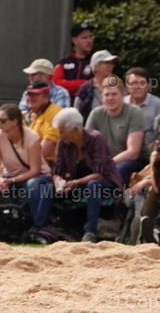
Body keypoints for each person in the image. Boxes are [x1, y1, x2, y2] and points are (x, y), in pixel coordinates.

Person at [39, 107, 122, 242]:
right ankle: (40, 227)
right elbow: (57, 170)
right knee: (48, 187)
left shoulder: (96, 139)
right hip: (77, 184)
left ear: (76, 131)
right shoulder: (63, 142)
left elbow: (100, 173)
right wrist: (58, 181)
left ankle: (90, 231)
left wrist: (75, 183)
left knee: (93, 185)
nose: (60, 135)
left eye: (63, 131)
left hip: (103, 183)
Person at [0, 103, 48, 229]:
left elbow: (35, 171)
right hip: (10, 178)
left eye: (2, 120)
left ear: (14, 122)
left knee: (33, 185)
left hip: (35, 178)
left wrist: (11, 180)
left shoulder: (32, 137)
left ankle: (38, 227)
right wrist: (1, 180)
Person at [85, 75, 146, 185]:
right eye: (106, 94)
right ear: (102, 97)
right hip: (106, 160)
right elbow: (87, 145)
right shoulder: (96, 113)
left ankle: (118, 199)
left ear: (123, 95)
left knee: (118, 169)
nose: (110, 98)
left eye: (114, 94)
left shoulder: (134, 112)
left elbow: (133, 152)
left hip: (132, 161)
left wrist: (108, 162)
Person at [24, 81, 62, 165]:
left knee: (33, 179)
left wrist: (27, 166)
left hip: (49, 163)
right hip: (27, 162)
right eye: (29, 94)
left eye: (35, 95)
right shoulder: (26, 115)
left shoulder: (55, 113)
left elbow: (47, 146)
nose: (30, 98)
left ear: (46, 97)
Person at [53, 22, 94, 96]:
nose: (89, 41)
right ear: (75, 40)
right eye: (84, 38)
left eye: (90, 37)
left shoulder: (95, 61)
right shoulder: (64, 62)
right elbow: (56, 83)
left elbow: (99, 83)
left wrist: (70, 85)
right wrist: (84, 83)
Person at [74, 49, 116, 119]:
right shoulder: (85, 89)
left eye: (112, 63)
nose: (110, 66)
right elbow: (77, 114)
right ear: (96, 66)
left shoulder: (117, 86)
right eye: (106, 63)